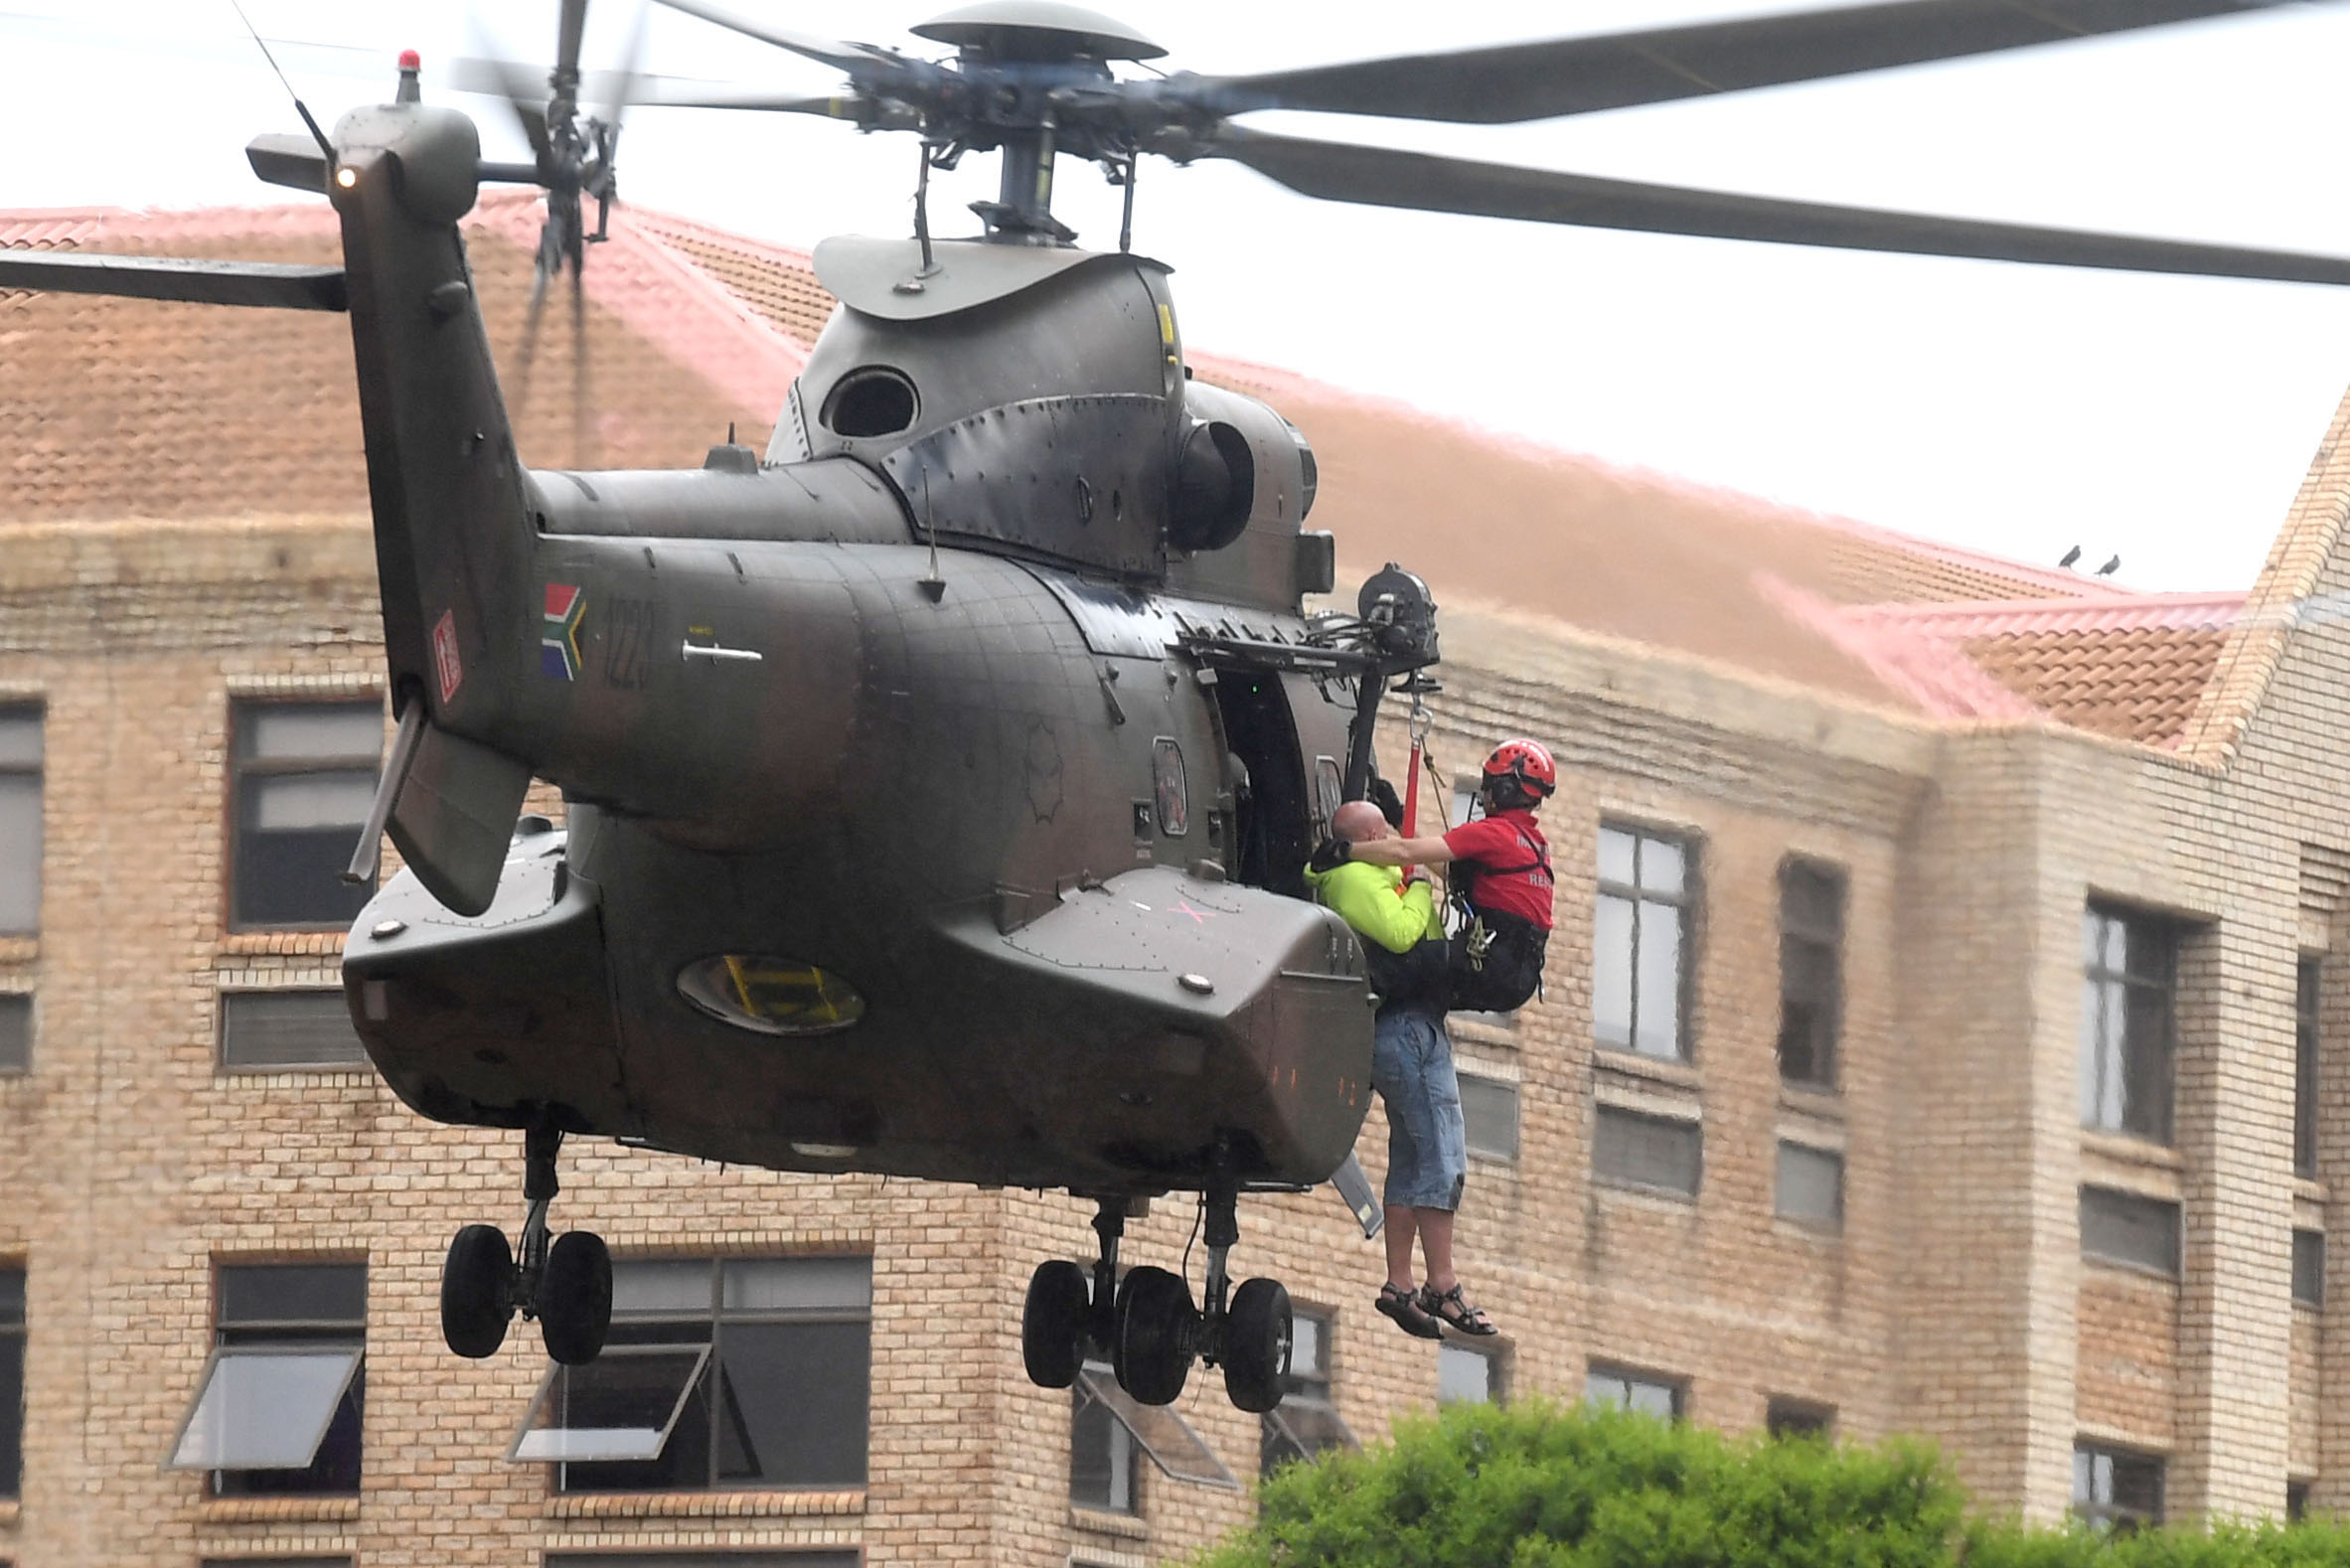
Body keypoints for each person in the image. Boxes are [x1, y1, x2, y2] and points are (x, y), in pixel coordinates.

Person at [1305, 799, 1497, 1340]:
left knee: (1413, 1156)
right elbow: (1401, 934)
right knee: (1441, 1149)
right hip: (1404, 1029)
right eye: (1385, 829)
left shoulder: (1366, 876)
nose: (1393, 834)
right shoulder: (1353, 880)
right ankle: (1443, 1281)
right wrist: (1418, 885)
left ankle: (1399, 1282)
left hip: (1409, 1026)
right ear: (1369, 833)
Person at [1332, 738, 1556, 1015]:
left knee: (1385, 966)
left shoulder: (1495, 833)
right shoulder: (1535, 845)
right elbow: (1449, 869)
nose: (1485, 791)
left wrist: (1345, 851)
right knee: (1421, 989)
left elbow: (1405, 853)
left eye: (1489, 783)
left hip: (1488, 964)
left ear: (1505, 788)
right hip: (1518, 980)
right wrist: (1398, 816)